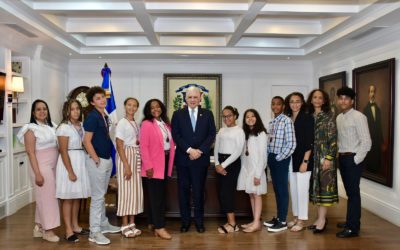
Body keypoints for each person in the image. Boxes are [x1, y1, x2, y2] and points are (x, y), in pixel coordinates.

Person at [171, 86, 216, 233]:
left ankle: (199, 222)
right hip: (184, 159)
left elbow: (211, 134)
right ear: (185, 98)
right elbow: (176, 135)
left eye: (195, 97)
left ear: (200, 98)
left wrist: (200, 151)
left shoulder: (208, 114)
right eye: (190, 97)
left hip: (200, 160)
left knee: (198, 192)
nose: (192, 100)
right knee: (183, 192)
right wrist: (189, 150)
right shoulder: (177, 114)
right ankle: (185, 222)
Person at [17, 99, 60, 242]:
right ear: (33, 113)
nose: (42, 111)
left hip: (53, 165)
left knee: (43, 197)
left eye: (44, 109)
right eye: (38, 109)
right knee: (48, 199)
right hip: (41, 166)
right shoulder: (30, 129)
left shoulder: (52, 125)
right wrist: (37, 173)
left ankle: (38, 227)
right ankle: (48, 231)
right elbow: (30, 152)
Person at [83, 86, 120, 245]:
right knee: (97, 197)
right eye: (98, 98)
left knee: (102, 195)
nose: (102, 100)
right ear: (92, 102)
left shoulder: (103, 115)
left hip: (106, 159)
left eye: (103, 97)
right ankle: (94, 231)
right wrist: (96, 159)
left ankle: (103, 224)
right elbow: (86, 141)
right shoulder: (92, 117)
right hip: (97, 161)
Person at [336, 87, 371, 238]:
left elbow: (367, 142)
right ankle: (351, 221)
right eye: (340, 98)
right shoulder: (339, 117)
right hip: (342, 158)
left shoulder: (359, 116)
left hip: (353, 159)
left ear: (352, 101)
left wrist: (355, 160)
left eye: (346, 98)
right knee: (350, 193)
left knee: (353, 194)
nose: (343, 101)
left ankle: (352, 228)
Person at [56, 99, 91, 242]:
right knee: (68, 198)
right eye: (72, 109)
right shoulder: (64, 127)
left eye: (78, 108)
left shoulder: (81, 125)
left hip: (80, 160)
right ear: (67, 111)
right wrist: (70, 171)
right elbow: (63, 151)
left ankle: (76, 225)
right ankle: (68, 230)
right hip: (69, 161)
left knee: (77, 196)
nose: (76, 111)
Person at [140, 99, 175, 240]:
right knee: (157, 198)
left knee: (159, 196)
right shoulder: (147, 124)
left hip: (165, 162)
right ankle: (160, 228)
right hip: (153, 166)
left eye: (158, 106)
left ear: (162, 108)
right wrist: (148, 166)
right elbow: (143, 146)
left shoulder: (166, 124)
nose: (155, 109)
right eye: (152, 107)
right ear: (148, 110)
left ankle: (154, 223)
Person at [307, 89, 338, 234]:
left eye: (320, 98)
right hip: (313, 157)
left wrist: (329, 158)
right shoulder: (309, 116)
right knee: (317, 188)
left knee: (324, 188)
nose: (317, 100)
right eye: (315, 97)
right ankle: (319, 218)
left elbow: (333, 139)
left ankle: (322, 220)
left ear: (324, 100)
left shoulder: (329, 116)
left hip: (325, 157)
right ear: (311, 99)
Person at [263, 96, 296, 233]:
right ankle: (278, 217)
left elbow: (292, 144)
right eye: (273, 104)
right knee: (276, 190)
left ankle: (282, 221)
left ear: (283, 106)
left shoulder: (286, 121)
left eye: (278, 104)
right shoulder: (272, 122)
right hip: (272, 158)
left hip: (281, 159)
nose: (275, 106)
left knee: (282, 190)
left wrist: (279, 158)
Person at [284, 92, 314, 232]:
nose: (295, 104)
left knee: (302, 190)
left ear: (302, 103)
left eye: (298, 101)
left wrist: (305, 161)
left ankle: (302, 220)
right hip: (291, 159)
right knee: (294, 190)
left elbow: (309, 141)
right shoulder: (289, 118)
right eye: (292, 101)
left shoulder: (307, 118)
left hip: (303, 159)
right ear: (288, 104)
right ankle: (296, 217)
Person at [214, 106, 245, 234]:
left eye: (229, 115)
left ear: (235, 116)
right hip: (220, 162)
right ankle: (229, 221)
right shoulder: (221, 130)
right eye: (224, 116)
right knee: (222, 193)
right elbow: (216, 147)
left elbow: (238, 151)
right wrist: (217, 164)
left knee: (227, 193)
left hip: (231, 163)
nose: (227, 118)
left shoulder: (239, 131)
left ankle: (233, 224)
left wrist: (223, 165)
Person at [115, 97, 143, 238]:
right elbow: (119, 145)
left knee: (135, 192)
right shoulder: (122, 123)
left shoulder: (136, 123)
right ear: (125, 106)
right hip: (126, 156)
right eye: (129, 105)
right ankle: (124, 224)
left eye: (134, 106)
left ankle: (132, 223)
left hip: (135, 156)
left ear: (137, 108)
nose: (131, 108)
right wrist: (126, 165)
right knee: (126, 192)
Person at [237, 109, 268, 233]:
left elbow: (263, 156)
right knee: (251, 195)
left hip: (256, 170)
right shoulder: (246, 133)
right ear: (244, 120)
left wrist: (258, 174)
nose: (250, 118)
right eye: (247, 117)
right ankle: (254, 220)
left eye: (253, 116)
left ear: (257, 118)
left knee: (257, 195)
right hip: (247, 169)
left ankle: (256, 223)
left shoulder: (261, 134)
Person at [362, 84, 383, 173]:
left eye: (374, 91)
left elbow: (380, 125)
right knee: (370, 158)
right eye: (371, 91)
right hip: (369, 138)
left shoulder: (378, 108)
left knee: (377, 158)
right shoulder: (365, 109)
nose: (372, 93)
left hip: (377, 138)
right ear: (368, 94)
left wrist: (382, 140)